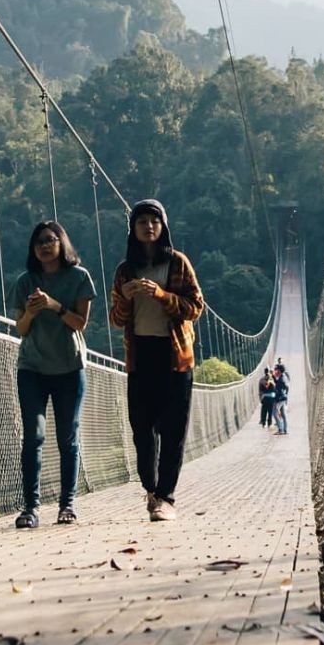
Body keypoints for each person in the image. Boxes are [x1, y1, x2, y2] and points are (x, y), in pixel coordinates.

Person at [110, 199, 204, 523]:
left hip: (175, 356)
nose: (148, 227)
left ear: (163, 227)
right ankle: (150, 489)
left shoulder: (178, 263)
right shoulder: (125, 271)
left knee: (173, 431)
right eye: (141, 222)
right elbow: (116, 318)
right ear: (133, 230)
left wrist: (161, 295)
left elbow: (196, 306)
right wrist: (127, 295)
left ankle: (166, 498)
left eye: (154, 221)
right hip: (141, 357)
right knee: (141, 430)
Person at [12, 220, 96, 529]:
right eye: (39, 243)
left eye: (50, 240)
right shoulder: (25, 281)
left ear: (62, 243)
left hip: (69, 368)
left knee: (67, 438)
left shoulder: (79, 278)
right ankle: (30, 509)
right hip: (32, 367)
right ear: (33, 250)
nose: (45, 246)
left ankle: (67, 505)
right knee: (33, 436)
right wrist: (33, 311)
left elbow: (79, 324)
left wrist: (54, 305)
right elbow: (21, 329)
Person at [273, 364, 289, 434]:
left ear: (279, 371)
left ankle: (280, 429)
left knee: (274, 413)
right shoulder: (282, 378)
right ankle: (285, 430)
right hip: (283, 398)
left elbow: (278, 390)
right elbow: (286, 387)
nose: (275, 371)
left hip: (279, 399)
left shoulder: (281, 380)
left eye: (276, 370)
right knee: (283, 414)